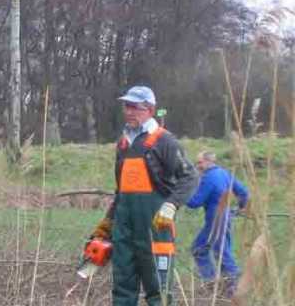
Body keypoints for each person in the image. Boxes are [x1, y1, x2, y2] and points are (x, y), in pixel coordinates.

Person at [90, 86, 199, 305]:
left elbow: (190, 177)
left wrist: (171, 206)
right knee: (122, 290)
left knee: (159, 291)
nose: (128, 111)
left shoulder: (164, 141)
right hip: (124, 230)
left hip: (156, 228)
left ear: (149, 110)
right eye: (126, 106)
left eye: (134, 107)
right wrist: (107, 223)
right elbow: (122, 190)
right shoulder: (123, 144)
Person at [186, 151, 249, 296]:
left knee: (216, 252)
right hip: (225, 218)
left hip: (215, 221)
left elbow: (195, 202)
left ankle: (230, 289)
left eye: (200, 162)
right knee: (206, 249)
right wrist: (238, 208)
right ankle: (219, 285)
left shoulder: (209, 178)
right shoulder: (224, 173)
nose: (198, 166)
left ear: (208, 162)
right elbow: (244, 193)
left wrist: (181, 195)